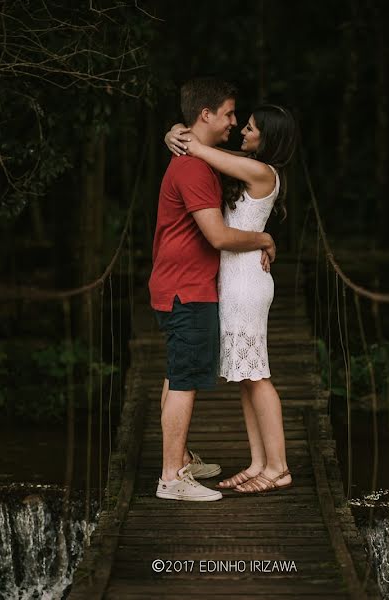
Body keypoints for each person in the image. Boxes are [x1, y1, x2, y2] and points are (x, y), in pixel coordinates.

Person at [149, 77, 277, 502]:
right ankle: (173, 476)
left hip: (198, 285)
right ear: (206, 114)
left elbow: (212, 152)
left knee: (186, 374)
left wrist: (178, 134)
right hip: (191, 287)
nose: (236, 124)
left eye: (246, 122)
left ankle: (183, 460)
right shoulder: (195, 165)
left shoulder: (210, 162)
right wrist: (262, 239)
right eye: (229, 114)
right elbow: (219, 237)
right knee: (185, 377)